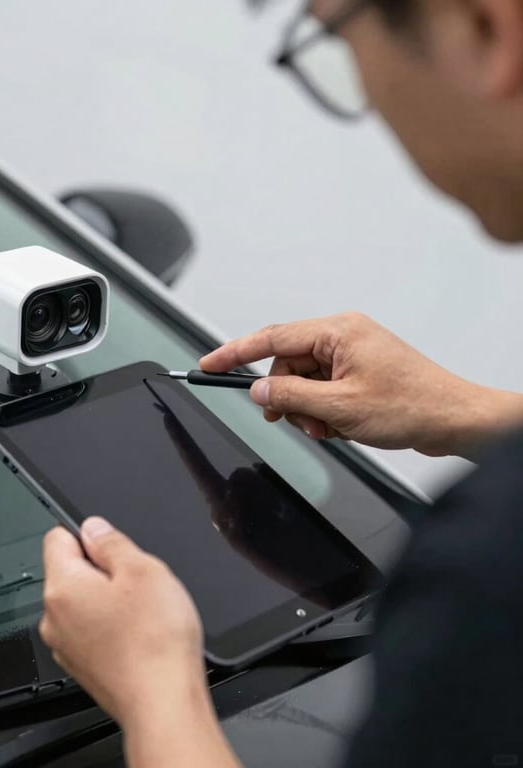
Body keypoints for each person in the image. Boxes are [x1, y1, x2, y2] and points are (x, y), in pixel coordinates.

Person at [37, 0, 523, 764]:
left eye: (334, 41)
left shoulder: (487, 576)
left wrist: (154, 688)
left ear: (488, 29)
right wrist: (463, 413)